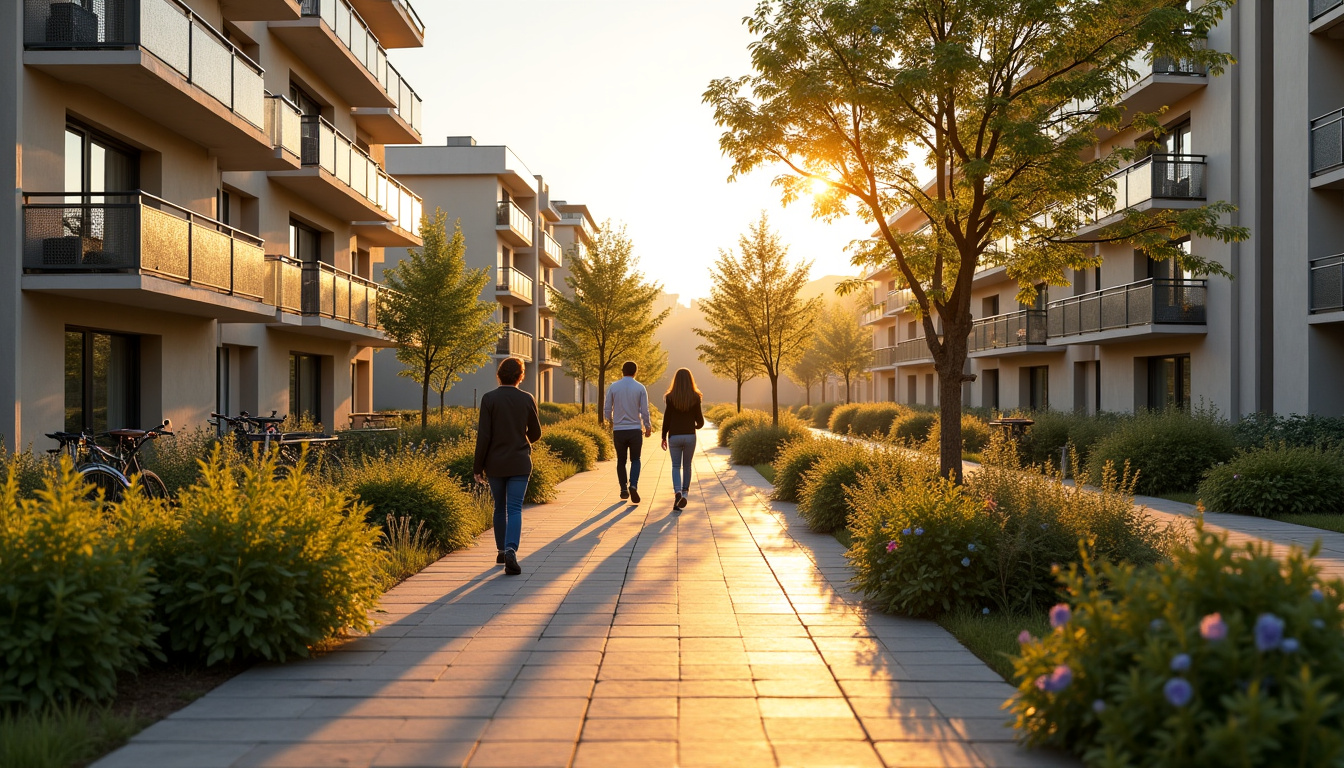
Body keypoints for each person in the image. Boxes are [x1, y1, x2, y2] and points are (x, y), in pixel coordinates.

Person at [473, 357, 542, 576]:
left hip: (495, 463)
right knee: (514, 508)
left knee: (499, 507)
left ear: (499, 374)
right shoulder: (527, 398)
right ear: (520, 376)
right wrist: (522, 441)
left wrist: (478, 466)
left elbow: (483, 435)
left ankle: (502, 551)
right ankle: (512, 548)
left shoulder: (489, 399)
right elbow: (536, 432)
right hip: (520, 461)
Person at [604, 360, 651, 503]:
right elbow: (644, 411)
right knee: (635, 459)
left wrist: (611, 421)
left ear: (622, 371)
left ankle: (623, 488)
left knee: (621, 460)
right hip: (635, 430)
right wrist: (648, 427)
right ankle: (634, 485)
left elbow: (607, 409)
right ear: (635, 371)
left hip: (619, 430)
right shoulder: (640, 388)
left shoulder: (613, 387)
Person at [660, 368, 704, 511]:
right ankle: (685, 493)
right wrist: (694, 426)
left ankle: (677, 493)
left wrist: (663, 436)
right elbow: (700, 421)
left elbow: (667, 419)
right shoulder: (695, 397)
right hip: (690, 435)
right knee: (687, 466)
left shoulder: (670, 397)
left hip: (675, 436)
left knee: (675, 466)